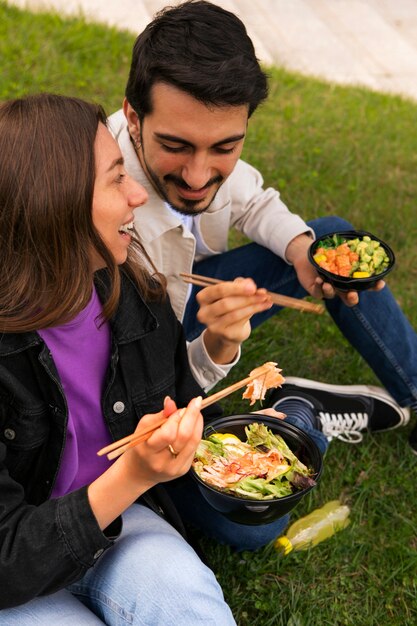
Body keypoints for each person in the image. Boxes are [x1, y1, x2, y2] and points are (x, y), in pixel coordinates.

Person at [108, 0, 416, 449]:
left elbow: (253, 203)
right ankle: (299, 406)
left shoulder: (204, 149)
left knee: (325, 240)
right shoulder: (101, 185)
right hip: (137, 332)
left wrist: (300, 252)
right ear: (134, 118)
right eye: (175, 146)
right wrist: (211, 344)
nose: (198, 176)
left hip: (193, 295)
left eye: (225, 147)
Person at [0, 92, 240, 623]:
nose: (137, 194)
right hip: (14, 563)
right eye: (115, 178)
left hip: (120, 522)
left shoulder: (134, 295)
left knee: (187, 601)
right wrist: (133, 473)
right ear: (53, 202)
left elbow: (182, 402)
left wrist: (231, 434)